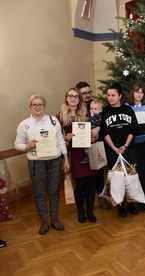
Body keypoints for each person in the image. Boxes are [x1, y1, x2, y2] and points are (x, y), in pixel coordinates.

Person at [15, 95, 70, 234]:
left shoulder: (53, 121)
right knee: (39, 193)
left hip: (54, 161)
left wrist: (66, 157)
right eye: (34, 104)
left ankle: (55, 220)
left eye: (40, 104)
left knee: (53, 192)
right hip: (36, 163)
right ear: (30, 107)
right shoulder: (24, 124)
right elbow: (17, 145)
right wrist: (27, 146)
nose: (37, 107)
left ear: (44, 106)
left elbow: (60, 140)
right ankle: (44, 222)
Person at [58, 88, 97, 223]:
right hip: (73, 154)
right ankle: (81, 212)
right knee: (80, 185)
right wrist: (66, 137)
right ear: (66, 98)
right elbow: (57, 139)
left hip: (87, 152)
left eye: (76, 96)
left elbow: (94, 129)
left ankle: (90, 211)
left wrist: (93, 135)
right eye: (71, 96)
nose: (73, 98)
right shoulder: (60, 117)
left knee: (91, 184)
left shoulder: (85, 113)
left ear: (79, 99)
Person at [100, 84, 138, 217]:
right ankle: (121, 205)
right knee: (117, 180)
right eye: (108, 95)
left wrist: (125, 146)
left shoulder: (128, 110)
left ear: (120, 96)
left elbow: (133, 129)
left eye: (113, 95)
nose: (110, 98)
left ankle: (132, 203)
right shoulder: (105, 111)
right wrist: (115, 148)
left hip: (128, 149)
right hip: (113, 151)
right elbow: (104, 133)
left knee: (130, 178)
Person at [128, 84, 145, 215]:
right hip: (132, 146)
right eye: (136, 92)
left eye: (141, 92)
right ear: (132, 93)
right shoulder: (127, 108)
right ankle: (135, 204)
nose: (139, 95)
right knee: (133, 175)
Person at [88, 100, 109, 209]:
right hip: (91, 147)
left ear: (101, 110)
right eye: (91, 108)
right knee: (96, 174)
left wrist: (98, 128)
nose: (93, 111)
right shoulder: (89, 118)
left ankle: (104, 197)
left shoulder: (101, 118)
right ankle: (99, 197)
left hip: (101, 148)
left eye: (95, 109)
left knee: (102, 174)